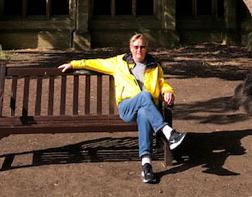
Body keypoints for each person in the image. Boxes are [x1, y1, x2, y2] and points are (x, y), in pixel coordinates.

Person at [58, 32, 186, 183]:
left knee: (145, 113)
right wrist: (74, 63)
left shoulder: (154, 65)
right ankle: (169, 133)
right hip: (127, 108)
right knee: (145, 96)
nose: (139, 50)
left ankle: (146, 167)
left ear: (146, 48)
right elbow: (96, 63)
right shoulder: (119, 62)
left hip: (147, 110)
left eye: (142, 47)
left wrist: (167, 91)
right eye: (136, 47)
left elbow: (162, 82)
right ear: (130, 48)